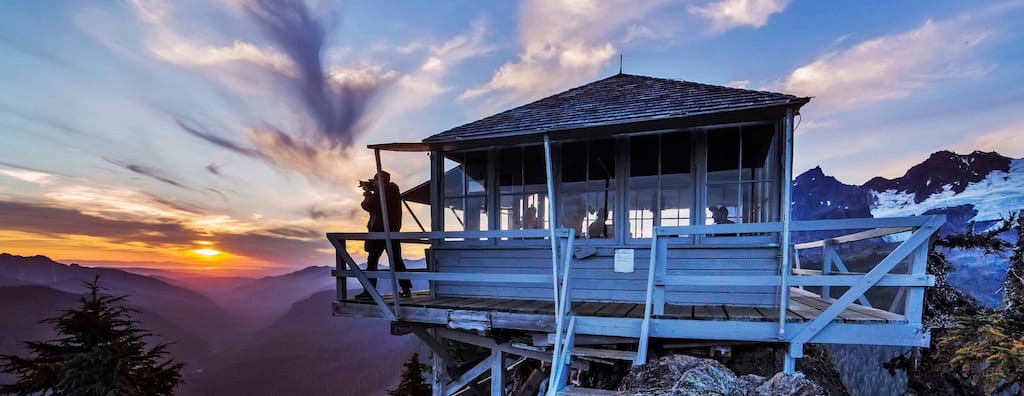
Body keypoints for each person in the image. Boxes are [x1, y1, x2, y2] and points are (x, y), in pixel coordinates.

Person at [355, 171, 412, 299]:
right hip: (391, 231)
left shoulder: (386, 191)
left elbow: (370, 206)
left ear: (380, 182)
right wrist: (374, 189)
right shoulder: (391, 191)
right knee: (397, 261)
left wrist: (368, 193)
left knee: (372, 262)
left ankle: (369, 292)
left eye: (375, 182)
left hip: (379, 232)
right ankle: (406, 289)